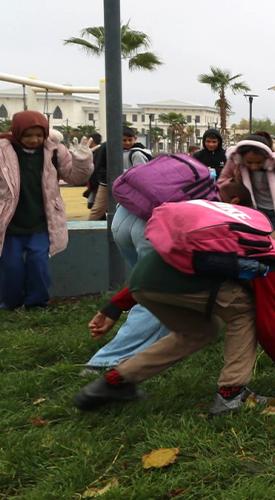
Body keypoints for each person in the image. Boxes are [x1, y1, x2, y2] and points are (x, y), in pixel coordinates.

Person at [73, 231, 275, 415]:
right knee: (246, 310)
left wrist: (114, 306)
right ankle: (231, 394)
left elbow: (178, 261)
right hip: (161, 281)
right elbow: (268, 327)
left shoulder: (255, 243)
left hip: (143, 278)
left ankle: (116, 381)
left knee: (202, 330)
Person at [82, 182, 251, 373]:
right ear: (235, 203)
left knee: (160, 293)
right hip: (150, 229)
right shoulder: (217, 223)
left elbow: (153, 275)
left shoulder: (198, 193)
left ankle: (131, 361)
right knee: (165, 297)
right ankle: (106, 362)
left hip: (124, 217)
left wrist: (114, 306)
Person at [0, 112, 93, 309]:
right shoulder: (2, 150)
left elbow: (75, 178)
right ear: (16, 132)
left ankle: (37, 302)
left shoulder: (55, 151)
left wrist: (82, 161)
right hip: (9, 222)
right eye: (27, 135)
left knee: (38, 261)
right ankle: (11, 302)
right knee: (10, 264)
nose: (34, 140)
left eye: (39, 135)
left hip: (42, 221)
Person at [219, 132, 275, 300]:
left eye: (258, 162)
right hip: (253, 214)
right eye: (249, 162)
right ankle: (259, 289)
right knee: (255, 253)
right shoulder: (235, 161)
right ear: (241, 158)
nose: (253, 166)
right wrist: (235, 181)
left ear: (269, 158)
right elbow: (221, 184)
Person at [88, 127, 152, 221]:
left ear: (135, 138)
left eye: (129, 140)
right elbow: (99, 166)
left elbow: (139, 172)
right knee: (100, 208)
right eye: (124, 140)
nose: (127, 143)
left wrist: (118, 172)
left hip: (125, 185)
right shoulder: (108, 148)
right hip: (108, 183)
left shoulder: (137, 153)